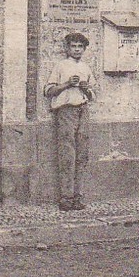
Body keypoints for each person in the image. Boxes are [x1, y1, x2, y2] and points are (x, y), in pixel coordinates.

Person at [43, 31, 96, 212]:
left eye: (80, 47)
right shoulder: (60, 66)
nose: (77, 49)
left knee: (82, 154)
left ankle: (78, 197)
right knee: (67, 154)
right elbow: (48, 91)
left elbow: (92, 94)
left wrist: (85, 88)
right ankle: (65, 198)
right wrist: (66, 84)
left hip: (83, 109)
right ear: (67, 48)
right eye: (73, 46)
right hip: (66, 111)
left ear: (84, 49)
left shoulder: (86, 68)